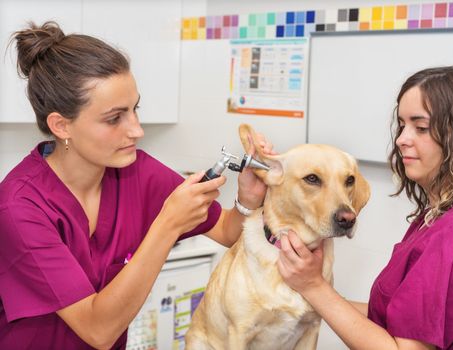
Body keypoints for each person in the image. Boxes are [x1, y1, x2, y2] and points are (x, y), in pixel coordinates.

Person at [0, 21, 273, 349]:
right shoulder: (19, 207)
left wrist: (248, 199)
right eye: (115, 118)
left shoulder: (139, 173)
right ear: (61, 125)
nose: (136, 130)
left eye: (135, 110)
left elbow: (228, 231)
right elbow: (98, 330)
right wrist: (168, 224)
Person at [277, 66, 453, 349]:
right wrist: (309, 296)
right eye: (402, 125)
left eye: (421, 128)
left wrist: (314, 287)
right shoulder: (449, 214)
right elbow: (393, 319)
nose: (401, 139)